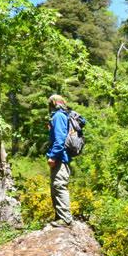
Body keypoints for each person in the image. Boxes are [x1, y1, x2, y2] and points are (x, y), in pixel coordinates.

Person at [46, 94, 73, 226]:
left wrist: (53, 156)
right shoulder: (62, 116)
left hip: (60, 159)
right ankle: (59, 217)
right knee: (56, 187)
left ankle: (66, 219)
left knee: (59, 186)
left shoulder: (58, 116)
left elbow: (60, 139)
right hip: (62, 158)